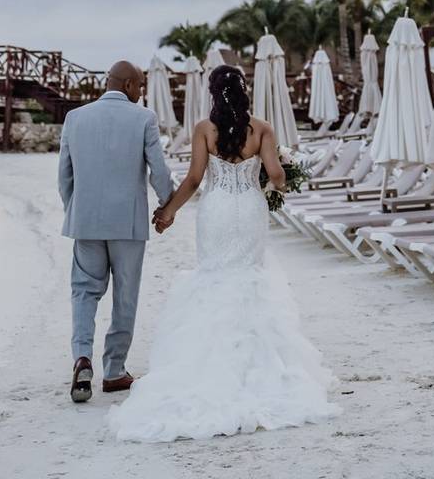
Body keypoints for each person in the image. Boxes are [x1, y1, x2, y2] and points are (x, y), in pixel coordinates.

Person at [107, 65, 341, 442]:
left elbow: (195, 179)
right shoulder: (262, 128)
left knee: (214, 276)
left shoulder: (204, 129)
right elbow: (277, 177)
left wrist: (168, 211)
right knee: (249, 276)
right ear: (244, 91)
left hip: (215, 210)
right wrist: (282, 172)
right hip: (249, 208)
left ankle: (208, 366)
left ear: (214, 94)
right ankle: (260, 367)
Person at [58, 60, 173, 403]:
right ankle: (113, 371)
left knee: (84, 292)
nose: (141, 93)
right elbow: (159, 171)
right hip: (129, 224)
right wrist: (167, 205)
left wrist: (75, 211)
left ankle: (82, 357)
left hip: (86, 221)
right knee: (125, 296)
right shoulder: (143, 119)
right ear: (127, 85)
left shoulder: (75, 118)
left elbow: (64, 175)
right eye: (140, 87)